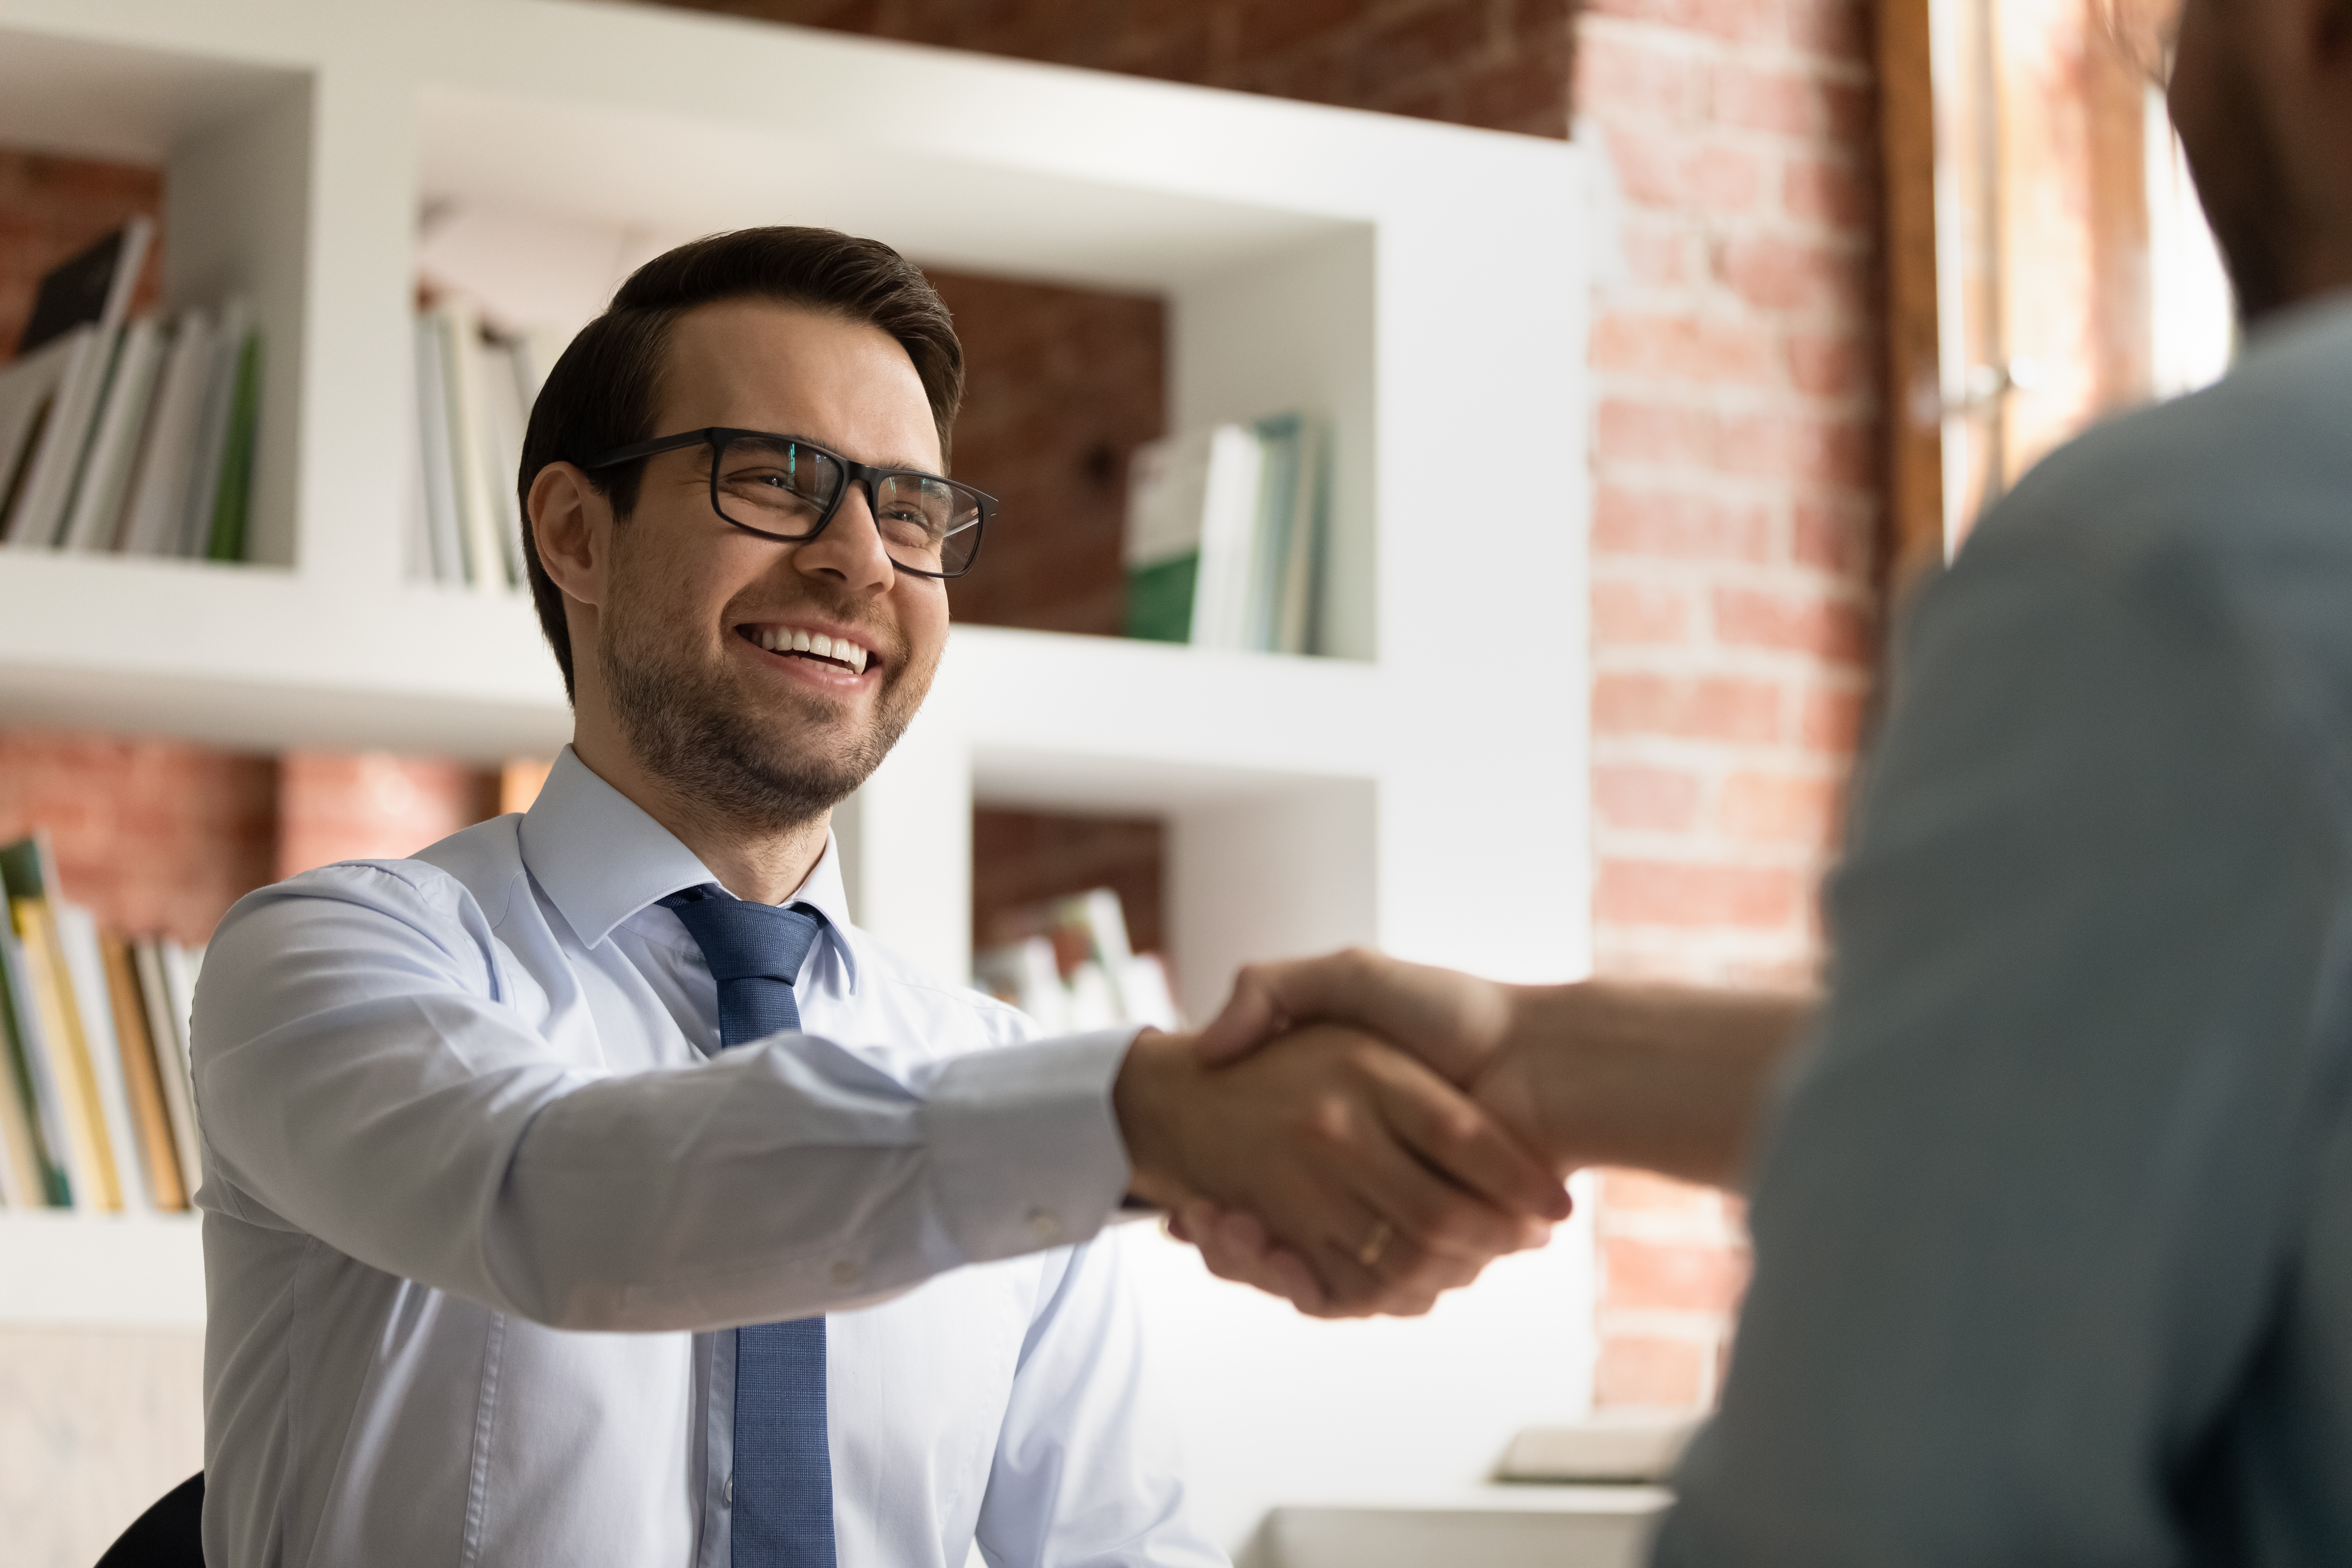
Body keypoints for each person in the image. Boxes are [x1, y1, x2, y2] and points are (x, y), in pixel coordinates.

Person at [188, 228, 1568, 1568]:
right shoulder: (333, 958)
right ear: (576, 533)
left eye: (909, 510)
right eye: (774, 479)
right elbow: (545, 1191)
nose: (859, 561)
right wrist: (1139, 1120)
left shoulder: (998, 1073)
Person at [1178, 0, 2352, 1556]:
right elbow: (2166, 1071)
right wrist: (1544, 1055)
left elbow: (1866, 1514)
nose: (2165, 81)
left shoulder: (2189, 559)